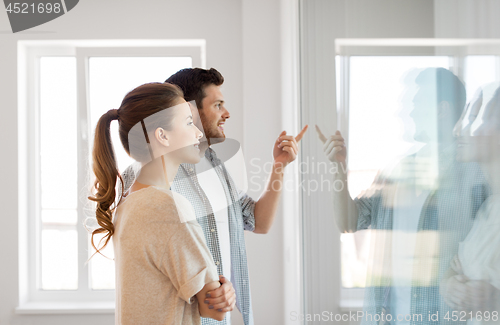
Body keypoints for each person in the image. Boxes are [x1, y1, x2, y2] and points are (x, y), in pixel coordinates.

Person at [123, 68, 308, 325]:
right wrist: (215, 293)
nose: (227, 113)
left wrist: (279, 165)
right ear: (190, 111)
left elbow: (259, 222)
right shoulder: (149, 178)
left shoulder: (216, 167)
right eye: (218, 104)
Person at [316, 68, 489, 325]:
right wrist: (338, 166)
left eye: (416, 103)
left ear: (440, 109)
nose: (408, 112)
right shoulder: (397, 171)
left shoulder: (476, 175)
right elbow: (349, 222)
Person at [88, 82, 227, 324]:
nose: (198, 133)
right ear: (161, 135)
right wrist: (225, 292)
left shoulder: (129, 202)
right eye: (187, 122)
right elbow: (214, 308)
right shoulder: (168, 206)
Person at [441, 85, 500, 325]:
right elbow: (460, 269)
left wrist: (494, 299)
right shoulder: (489, 209)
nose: (459, 130)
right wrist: (451, 287)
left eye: (477, 119)